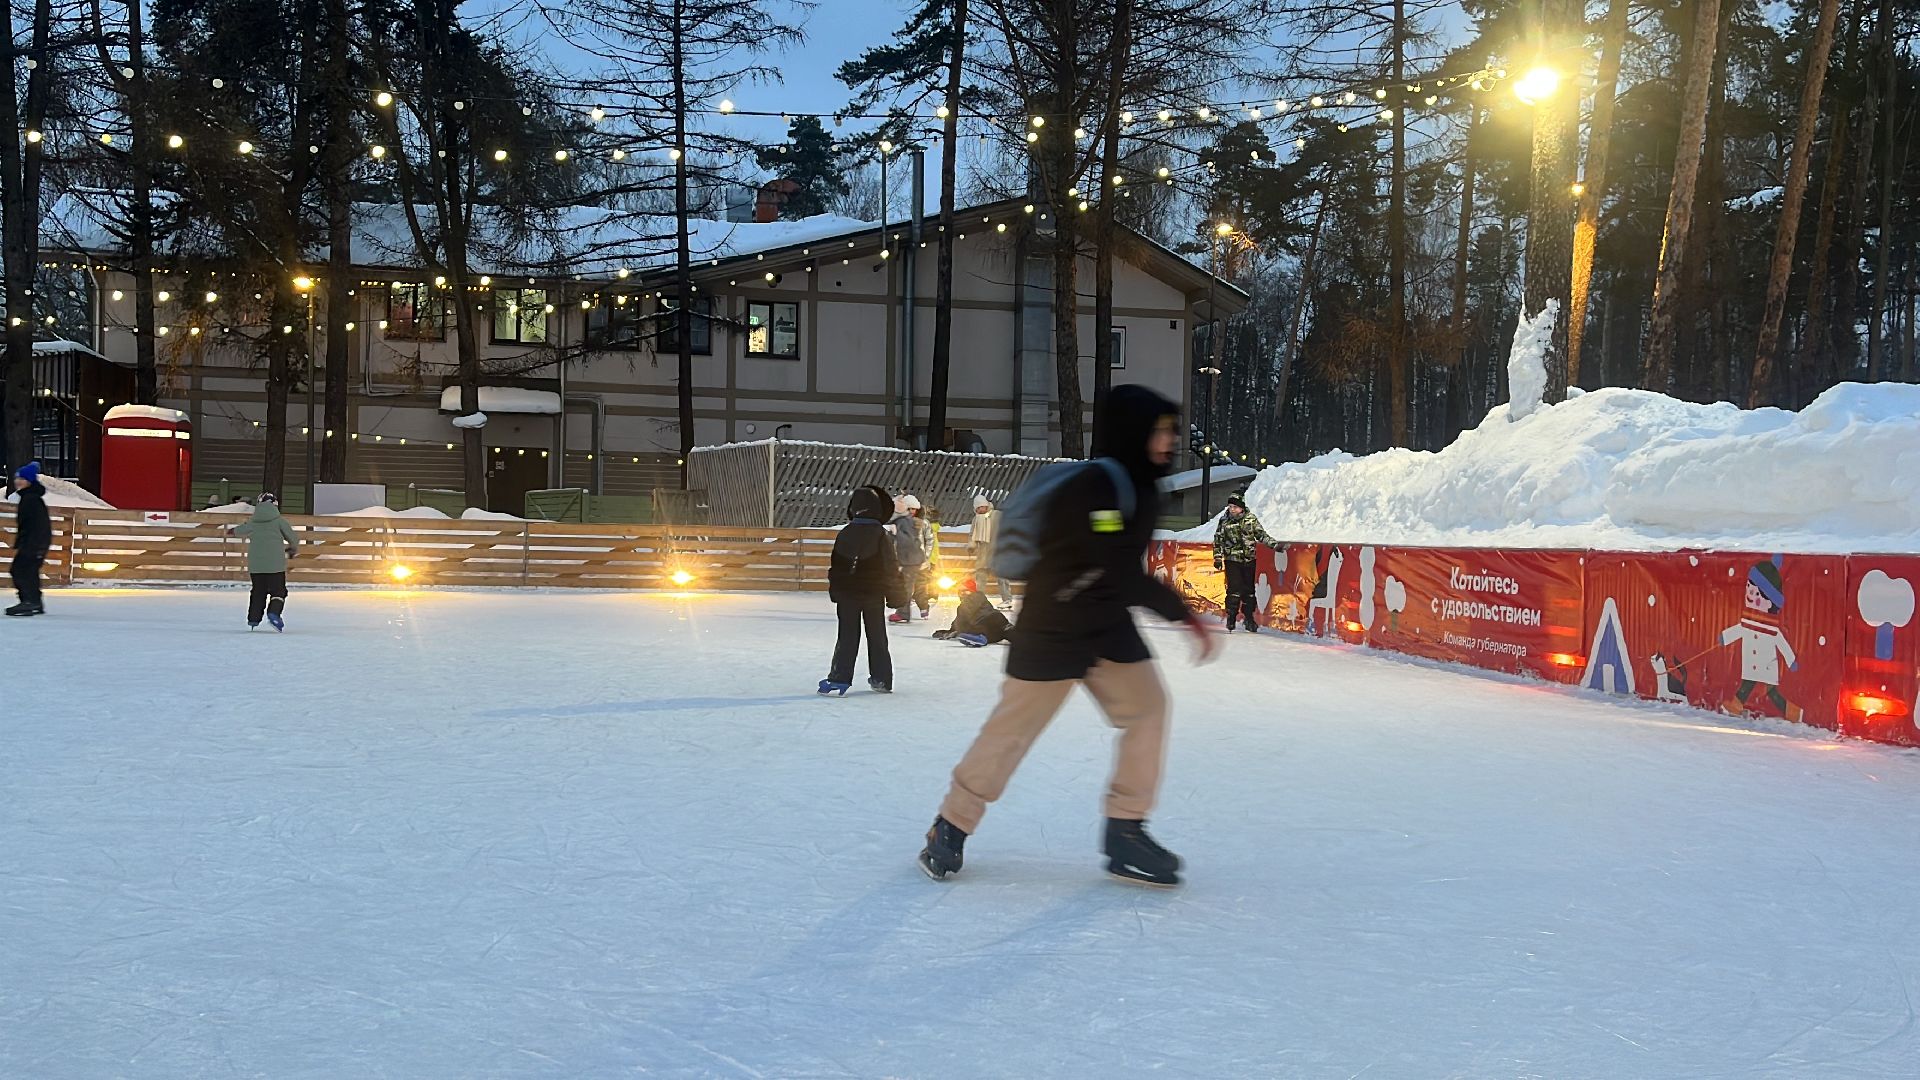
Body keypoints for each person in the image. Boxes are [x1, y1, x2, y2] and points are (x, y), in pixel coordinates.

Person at [919, 385, 1218, 888]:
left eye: (1172, 430)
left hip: (1106, 628)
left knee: (1148, 710)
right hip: (1054, 627)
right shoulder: (1095, 488)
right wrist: (1182, 615)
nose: (1170, 440)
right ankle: (949, 826)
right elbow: (1111, 564)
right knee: (1009, 735)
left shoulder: (1142, 487)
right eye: (1161, 430)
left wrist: (1175, 613)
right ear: (1134, 432)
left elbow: (1116, 570)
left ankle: (1125, 828)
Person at [822, 485, 906, 695]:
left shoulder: (845, 533)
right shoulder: (881, 534)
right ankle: (882, 678)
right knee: (877, 636)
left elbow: (837, 566)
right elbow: (890, 567)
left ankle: (839, 677)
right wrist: (896, 596)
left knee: (847, 636)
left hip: (848, 595)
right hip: (872, 594)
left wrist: (837, 592)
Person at [230, 493, 300, 631]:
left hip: (256, 566)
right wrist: (292, 548)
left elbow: (238, 531)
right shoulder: (280, 521)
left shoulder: (253, 521)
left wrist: (231, 531)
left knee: (258, 591)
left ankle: (253, 619)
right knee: (278, 591)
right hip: (275, 565)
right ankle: (274, 613)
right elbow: (293, 538)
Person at [1212, 493, 1278, 632]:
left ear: (1242, 507)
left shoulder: (1250, 519)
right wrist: (1218, 557)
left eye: (1235, 507)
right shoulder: (1224, 521)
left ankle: (1249, 618)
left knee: (1249, 591)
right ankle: (1231, 617)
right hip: (1232, 559)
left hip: (1249, 560)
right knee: (1234, 589)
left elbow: (1261, 535)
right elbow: (1218, 540)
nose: (1232, 509)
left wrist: (1275, 545)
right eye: (1230, 507)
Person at [6, 461, 50, 617]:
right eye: (17, 478)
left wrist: (34, 545)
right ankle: (35, 602)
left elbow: (39, 525)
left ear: (30, 481)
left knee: (19, 570)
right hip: (34, 543)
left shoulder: (31, 499)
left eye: (22, 479)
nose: (18, 481)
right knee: (29, 571)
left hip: (33, 543)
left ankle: (29, 601)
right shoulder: (29, 497)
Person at [931, 577, 1013, 647]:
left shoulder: (976, 596)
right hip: (991, 630)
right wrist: (950, 631)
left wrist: (956, 630)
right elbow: (959, 620)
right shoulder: (965, 604)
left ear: (972, 590)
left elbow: (964, 615)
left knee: (1004, 629)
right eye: (960, 591)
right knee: (999, 633)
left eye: (966, 590)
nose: (962, 593)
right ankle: (981, 639)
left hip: (992, 620)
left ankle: (981, 637)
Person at [887, 494, 928, 624]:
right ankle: (903, 611)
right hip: (909, 559)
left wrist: (894, 533)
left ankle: (903, 613)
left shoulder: (903, 521)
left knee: (906, 586)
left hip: (910, 560)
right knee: (905, 585)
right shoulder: (900, 521)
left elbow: (908, 541)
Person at [969, 494, 1015, 607]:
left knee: (1001, 577)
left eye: (982, 507)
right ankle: (979, 600)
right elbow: (972, 535)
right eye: (978, 508)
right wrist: (971, 545)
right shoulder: (976, 519)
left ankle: (1007, 599)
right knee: (980, 577)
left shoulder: (997, 515)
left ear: (986, 505)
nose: (980, 509)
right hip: (983, 553)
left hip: (997, 550)